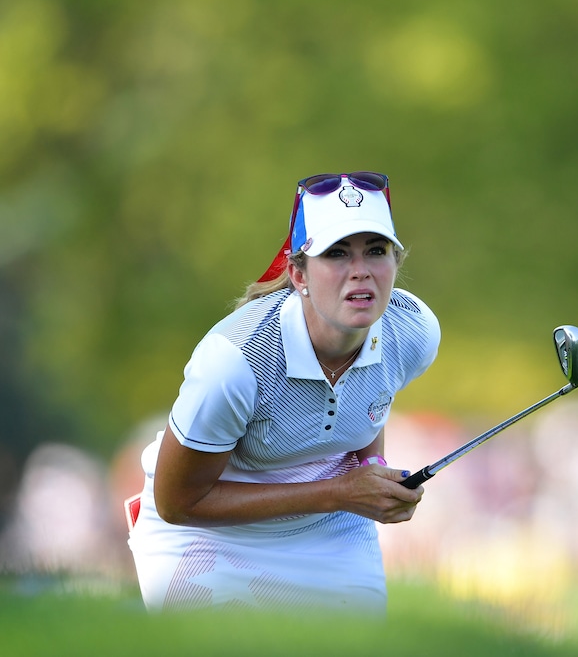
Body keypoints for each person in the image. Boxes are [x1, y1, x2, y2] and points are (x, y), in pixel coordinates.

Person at [127, 172, 440, 614]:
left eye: (376, 250)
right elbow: (179, 502)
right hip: (205, 531)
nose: (361, 271)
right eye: (336, 253)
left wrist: (373, 472)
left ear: (396, 261)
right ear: (298, 274)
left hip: (331, 528)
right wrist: (341, 492)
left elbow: (369, 399)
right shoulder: (235, 361)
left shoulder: (414, 331)